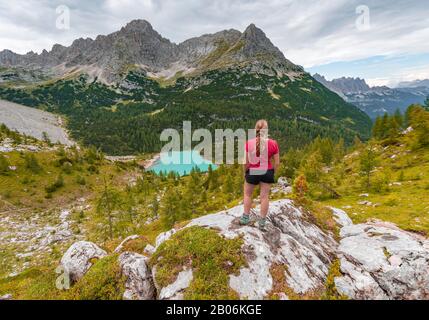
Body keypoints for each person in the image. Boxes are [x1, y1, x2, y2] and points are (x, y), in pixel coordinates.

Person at [240, 119, 280, 231]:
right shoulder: (273, 143)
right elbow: (277, 162)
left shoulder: (249, 143)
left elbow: (245, 162)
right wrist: (273, 172)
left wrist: (245, 172)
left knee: (248, 194)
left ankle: (245, 218)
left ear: (255, 129)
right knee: (264, 197)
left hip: (253, 171)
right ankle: (262, 222)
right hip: (267, 171)